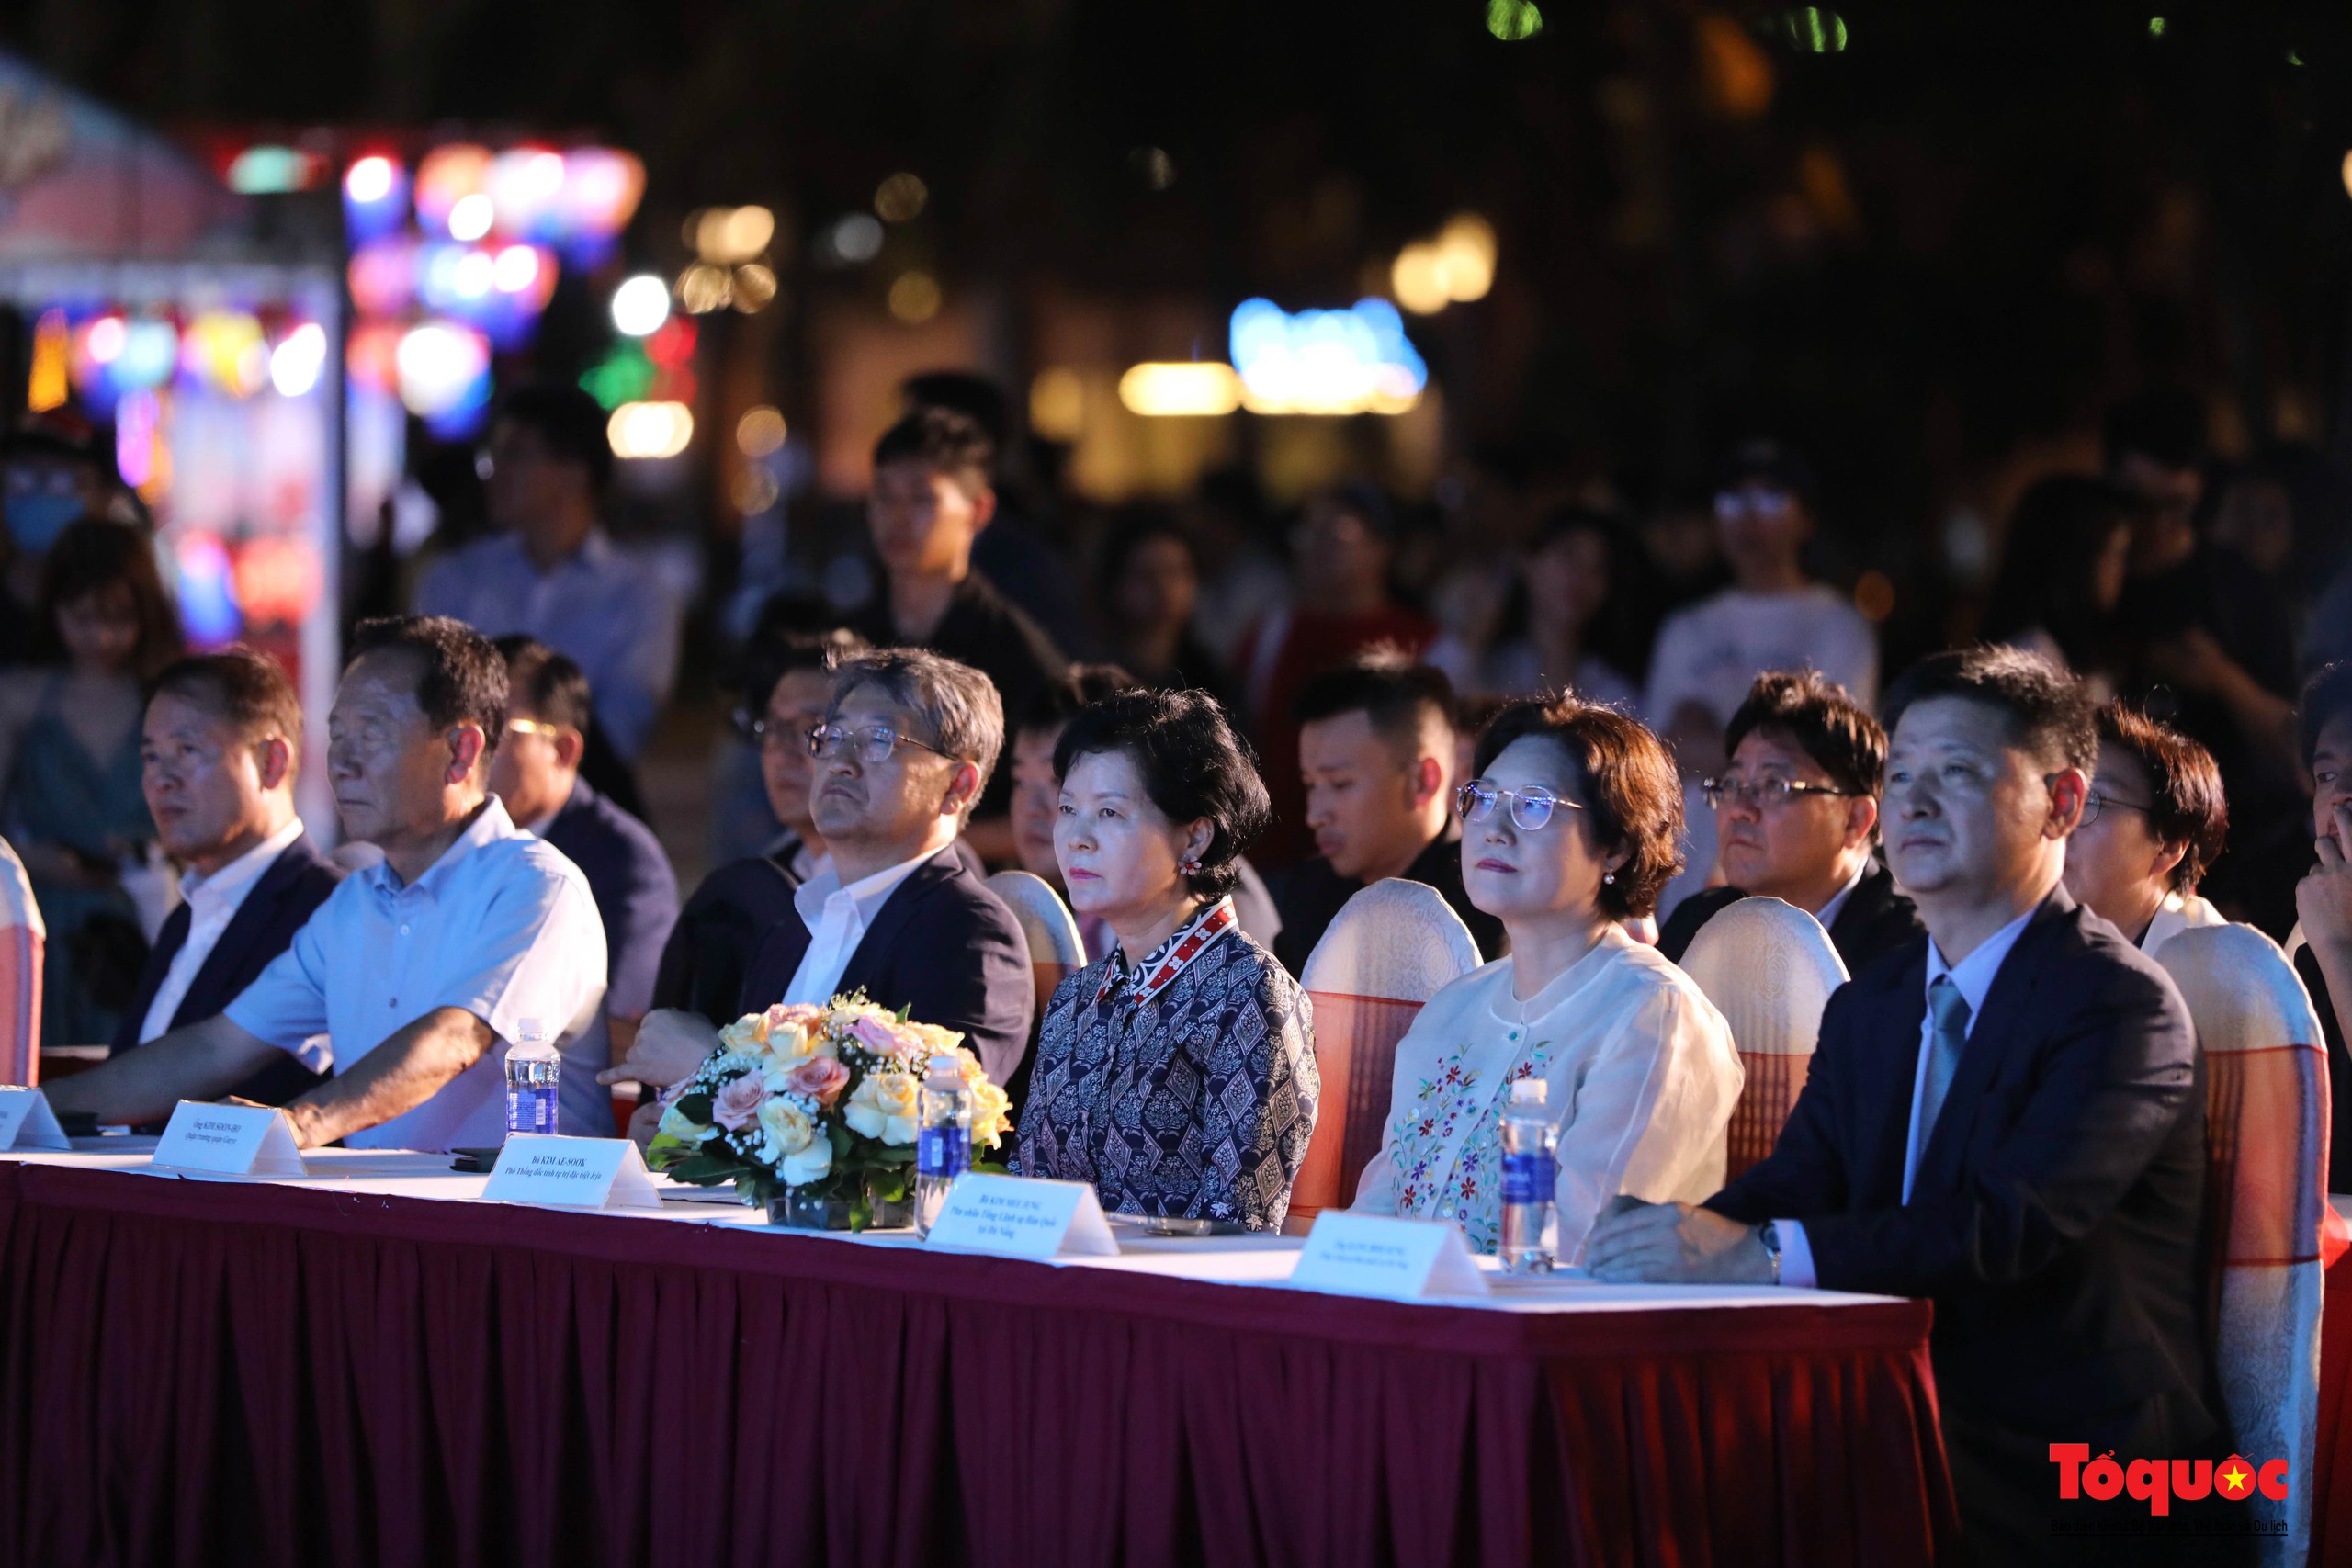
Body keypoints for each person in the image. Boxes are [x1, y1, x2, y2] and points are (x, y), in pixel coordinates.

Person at [1587, 648, 2223, 1561]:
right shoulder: (1871, 1003)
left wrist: (1758, 1257)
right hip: (1894, 1406)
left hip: (2075, 1461)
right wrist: (1654, 1246)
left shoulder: (2120, 1005)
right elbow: (1800, 1182)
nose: (1915, 803)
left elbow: (2005, 1224)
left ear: (2064, 802)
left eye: (1956, 773)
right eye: (1905, 774)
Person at [48, 616, 614, 1148]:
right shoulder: (351, 907)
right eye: (336, 735)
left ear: (460, 751)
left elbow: (455, 1039)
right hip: (380, 1232)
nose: (342, 762)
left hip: (519, 1236)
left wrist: (299, 1123)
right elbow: (218, 1046)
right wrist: (37, 1108)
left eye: (371, 733)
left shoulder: (537, 888)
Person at [1350, 699, 1739, 1258]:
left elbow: (1583, 1247)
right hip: (1418, 1327)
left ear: (1617, 845)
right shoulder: (1451, 1010)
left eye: (1534, 805)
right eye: (1482, 798)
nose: (1494, 829)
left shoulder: (1653, 1014)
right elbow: (1379, 1218)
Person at [608, 649, 1033, 1107]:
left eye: (878, 740)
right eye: (832, 736)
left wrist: (709, 1068)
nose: (840, 761)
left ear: (958, 786)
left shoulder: (969, 935)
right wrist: (692, 1129)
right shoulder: (794, 923)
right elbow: (772, 1135)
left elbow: (915, 1139)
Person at [1016, 687, 1317, 1231]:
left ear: (1195, 837)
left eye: (1109, 811)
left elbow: (1238, 1225)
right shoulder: (1076, 999)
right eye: (1068, 808)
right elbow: (1030, 1194)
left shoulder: (1249, 995)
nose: (1077, 838)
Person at [1644, 440, 1877, 917]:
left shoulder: (1839, 625)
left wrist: (1705, 737)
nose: (1749, 517)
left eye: (1771, 498)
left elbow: (1830, 754)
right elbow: (1657, 754)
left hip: (1805, 882)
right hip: (1690, 864)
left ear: (1806, 519)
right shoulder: (1685, 627)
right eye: (1733, 500)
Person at [2105, 389, 2301, 937]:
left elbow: (2296, 747)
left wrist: (2222, 678)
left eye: (2178, 506)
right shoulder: (2094, 584)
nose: (2159, 524)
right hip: (2106, 869)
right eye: (2141, 506)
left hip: (2231, 869)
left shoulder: (2237, 589)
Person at [112, 650, 340, 1110]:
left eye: (187, 751)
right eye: (150, 757)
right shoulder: (187, 915)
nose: (161, 779)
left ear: (272, 761)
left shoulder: (327, 909)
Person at [415, 384, 682, 762]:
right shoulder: (456, 578)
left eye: (515, 455)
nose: (495, 472)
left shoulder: (638, 595)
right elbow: (427, 706)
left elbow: (625, 727)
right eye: (494, 455)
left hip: (582, 803)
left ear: (574, 475)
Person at [850, 408, 1069, 857]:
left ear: (979, 510)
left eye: (921, 499)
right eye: (885, 497)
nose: (898, 518)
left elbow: (1063, 809)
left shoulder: (1013, 651)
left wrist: (913, 841)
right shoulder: (853, 640)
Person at [0, 516, 183, 1044]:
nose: (101, 637)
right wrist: (37, 859)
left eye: (120, 618)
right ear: (52, 611)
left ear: (147, 614)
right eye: (81, 617)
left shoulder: (170, 697)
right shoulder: (20, 698)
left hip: (149, 914)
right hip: (40, 912)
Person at [650, 626, 867, 1022]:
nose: (781, 752)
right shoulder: (758, 881)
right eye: (771, 728)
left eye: (811, 730)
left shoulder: (912, 883)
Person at [1656, 671, 1923, 974]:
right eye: (1731, 784)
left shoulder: (1909, 953)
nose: (1740, 809)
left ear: (1854, 820)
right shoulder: (1697, 924)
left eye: (1774, 786)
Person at [489, 637, 679, 1053]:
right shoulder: (455, 846)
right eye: (462, 727)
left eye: (497, 730)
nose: (472, 750)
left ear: (563, 749)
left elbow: (621, 1028)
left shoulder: (624, 860)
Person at [1238, 482, 1437, 866]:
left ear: (1383, 548)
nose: (1317, 545)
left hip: (1383, 860)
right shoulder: (1270, 633)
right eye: (1308, 531)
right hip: (1276, 854)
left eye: (1338, 533)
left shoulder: (1426, 645)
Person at [1273, 658, 1504, 976]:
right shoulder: (1308, 897)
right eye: (1311, 785)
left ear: (1423, 781)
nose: (1315, 815)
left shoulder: (1489, 900)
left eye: (1340, 784)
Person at [1432, 506, 1641, 708]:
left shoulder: (1614, 692)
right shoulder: (1493, 666)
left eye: (1599, 568)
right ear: (1528, 561)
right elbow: (1434, 693)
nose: (1581, 576)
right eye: (1569, 555)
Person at [2061, 702, 2228, 954]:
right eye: (2063, 795)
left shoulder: (2220, 972)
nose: (2061, 823)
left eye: (2092, 800)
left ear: (2169, 847)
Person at [1977, 474, 2137, 694]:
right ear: (2075, 559)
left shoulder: (2068, 652)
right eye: (2116, 552)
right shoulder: (2034, 659)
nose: (2122, 569)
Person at [2290, 662, 2352, 1191]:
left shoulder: (2325, 926)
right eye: (2327, 775)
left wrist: (2338, 946)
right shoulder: (2308, 919)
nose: (2341, 796)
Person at [1092, 509, 1242, 716]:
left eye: (1175, 572)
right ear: (1115, 584)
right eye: (1145, 575)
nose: (1162, 587)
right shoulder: (1096, 682)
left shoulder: (1211, 679)